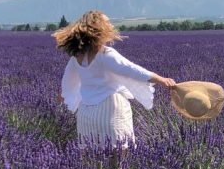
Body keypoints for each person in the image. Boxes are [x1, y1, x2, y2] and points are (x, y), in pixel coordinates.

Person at [53, 10, 175, 148]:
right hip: (109, 109)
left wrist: (64, 95)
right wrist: (161, 79)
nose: (111, 25)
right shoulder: (105, 53)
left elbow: (68, 82)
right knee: (118, 159)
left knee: (91, 161)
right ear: (98, 27)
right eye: (107, 22)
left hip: (86, 113)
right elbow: (131, 69)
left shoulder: (77, 56)